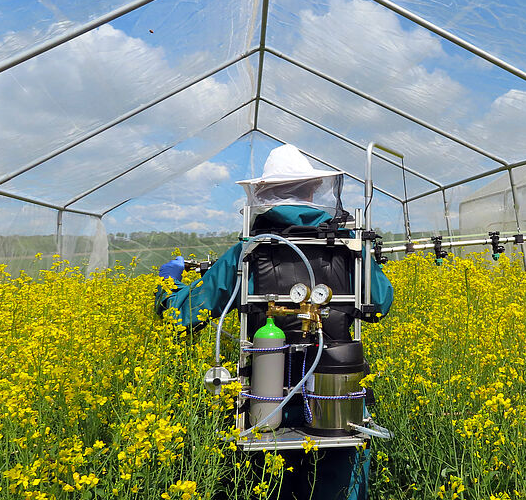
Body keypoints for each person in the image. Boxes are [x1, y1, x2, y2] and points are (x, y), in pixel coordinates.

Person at [155, 145, 392, 500]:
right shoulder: (350, 247)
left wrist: (168, 284)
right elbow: (382, 301)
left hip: (265, 405)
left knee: (271, 489)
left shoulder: (248, 253)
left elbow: (182, 316)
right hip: (338, 403)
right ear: (313, 191)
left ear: (263, 194)